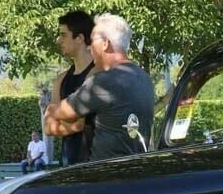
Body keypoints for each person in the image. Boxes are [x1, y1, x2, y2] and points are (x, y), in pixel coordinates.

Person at [44, 13, 154, 162]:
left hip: (105, 177)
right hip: (136, 171)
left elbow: (62, 113)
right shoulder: (144, 78)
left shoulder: (103, 83)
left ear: (105, 43)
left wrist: (50, 109)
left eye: (93, 40)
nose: (90, 47)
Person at [49, 10, 97, 166]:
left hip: (97, 168)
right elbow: (49, 126)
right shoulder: (60, 81)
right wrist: (74, 125)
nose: (58, 41)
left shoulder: (100, 76)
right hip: (68, 170)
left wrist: (63, 121)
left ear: (80, 38)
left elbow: (56, 121)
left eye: (63, 35)